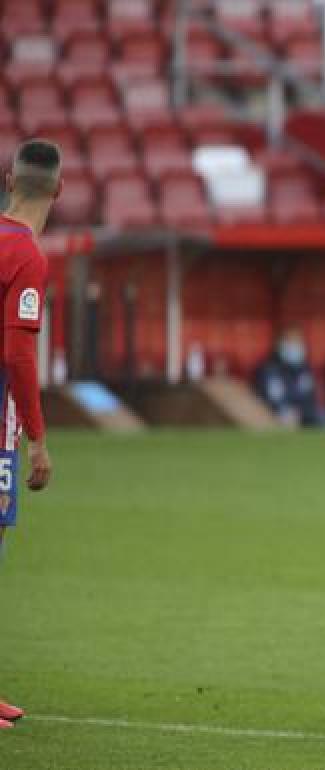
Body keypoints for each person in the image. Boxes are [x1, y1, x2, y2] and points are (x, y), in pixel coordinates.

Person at [0, 139, 60, 730]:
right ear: (57, 192)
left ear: (7, 179)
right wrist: (37, 438)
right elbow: (18, 353)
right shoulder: (28, 258)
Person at [254, 326, 325, 427]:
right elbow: (269, 399)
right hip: (275, 415)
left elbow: (309, 398)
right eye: (290, 341)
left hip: (301, 414)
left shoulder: (304, 368)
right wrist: (284, 411)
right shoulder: (268, 369)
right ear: (279, 344)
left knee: (322, 414)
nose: (294, 346)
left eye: (297, 341)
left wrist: (301, 412)